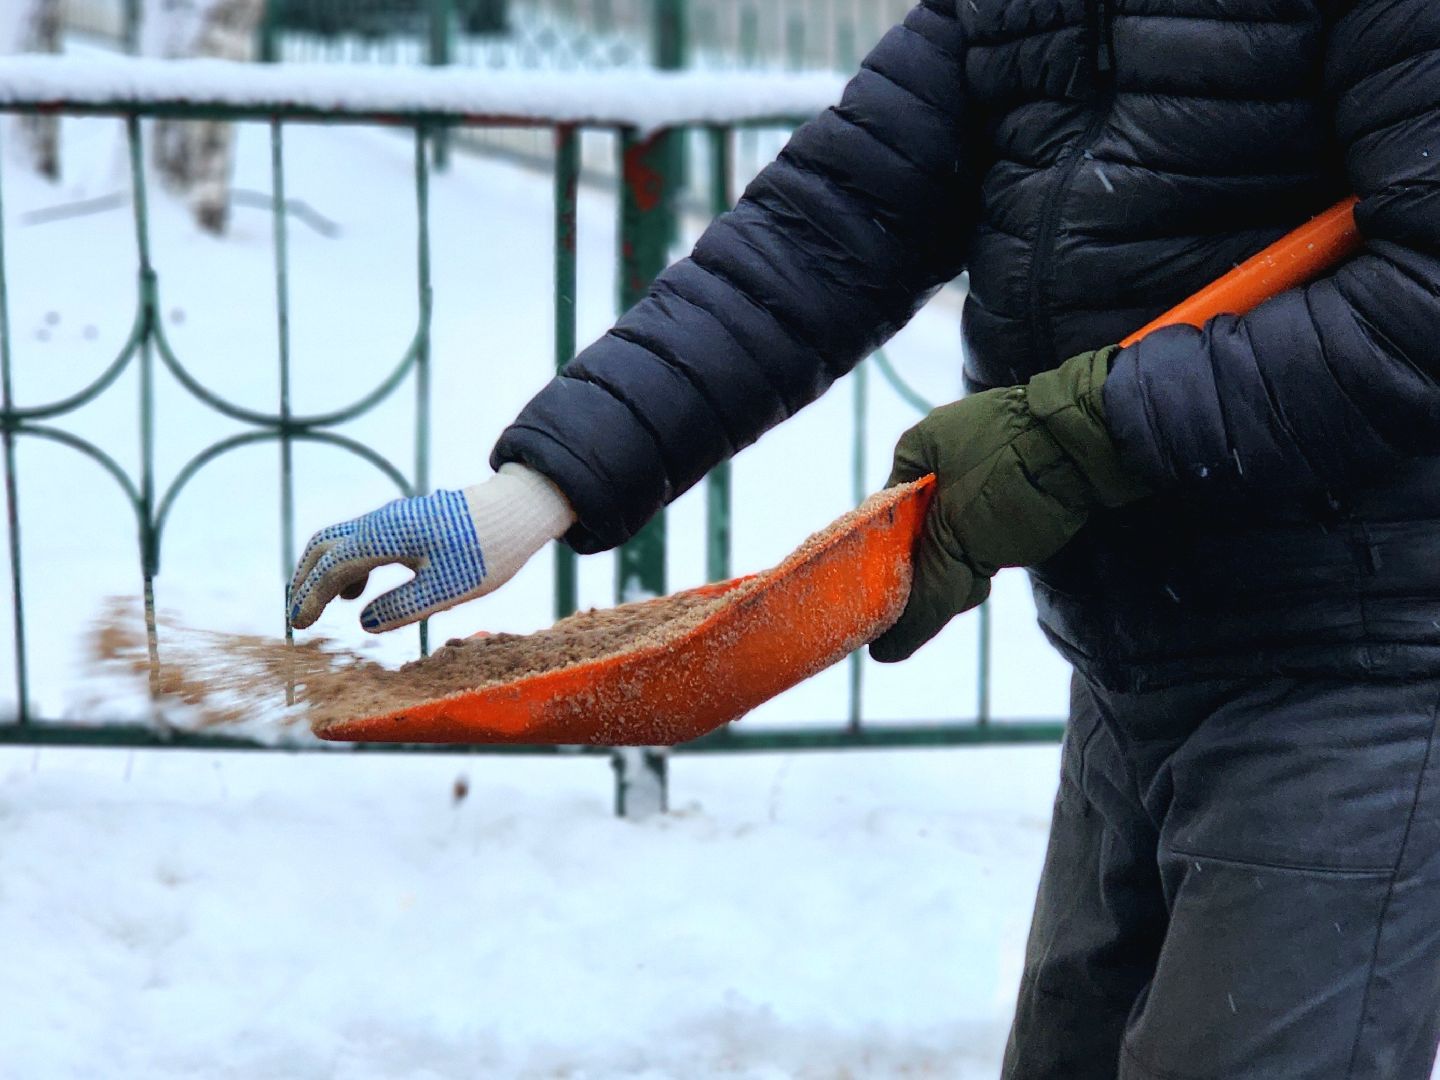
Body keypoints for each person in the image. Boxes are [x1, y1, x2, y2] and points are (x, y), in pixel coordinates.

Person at [287, 1, 1440, 1075]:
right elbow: (830, 223)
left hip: (1360, 676)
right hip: (1137, 655)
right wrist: (535, 492)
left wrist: (1087, 434)